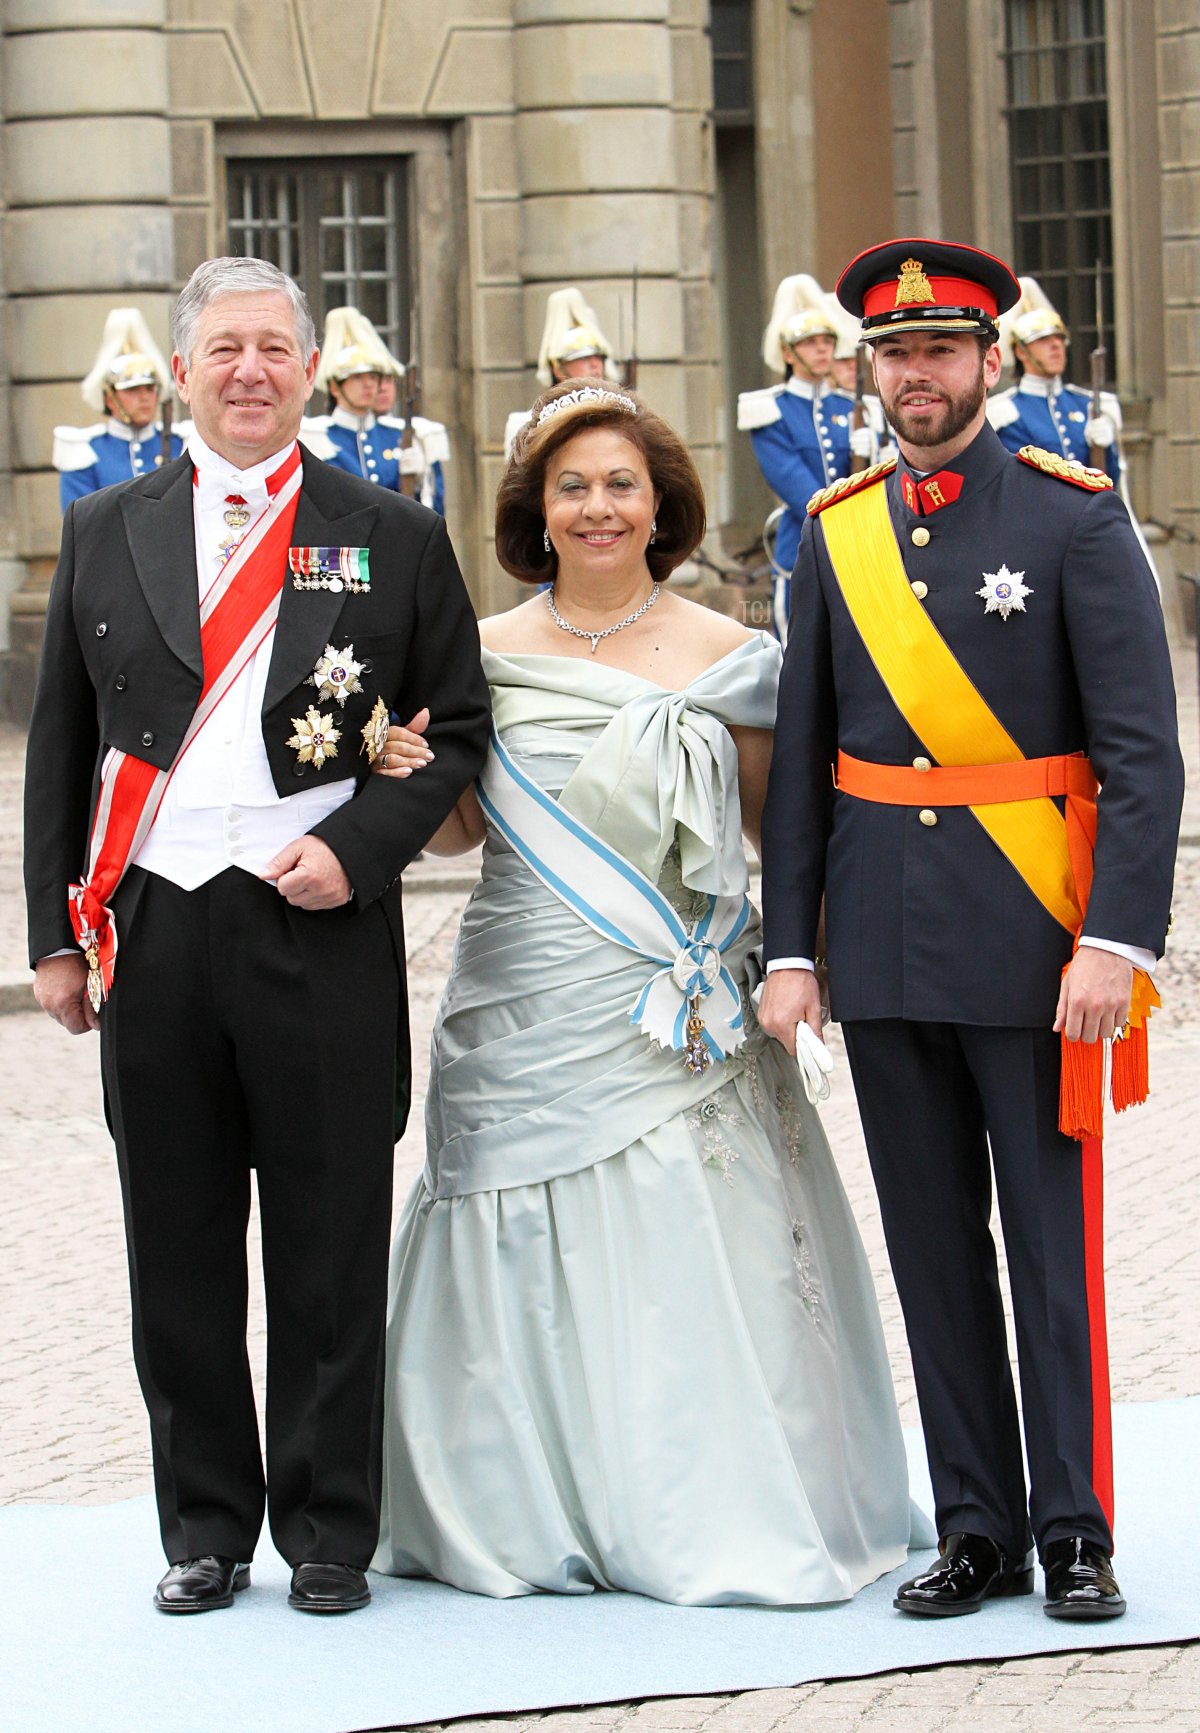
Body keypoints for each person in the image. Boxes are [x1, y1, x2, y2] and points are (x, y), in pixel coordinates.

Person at [368, 379, 921, 1607]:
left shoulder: (734, 655)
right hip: (521, 990)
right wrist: (405, 767)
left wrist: (810, 955)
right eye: (572, 486)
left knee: (690, 1245)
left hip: (680, 1006)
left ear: (662, 503)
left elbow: (781, 834)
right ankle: (518, 1506)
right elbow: (458, 833)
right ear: (536, 510)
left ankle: (702, 1504)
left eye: (622, 483)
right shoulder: (477, 649)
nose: (599, 506)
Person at [24, 256, 490, 1616]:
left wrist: (359, 850)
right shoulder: (105, 526)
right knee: (175, 1239)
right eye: (223, 348)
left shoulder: (389, 530)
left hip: (315, 919)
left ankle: (330, 1526)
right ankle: (207, 1526)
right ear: (182, 370)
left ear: (308, 368)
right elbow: (63, 741)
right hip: (156, 922)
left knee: (329, 1235)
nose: (248, 372)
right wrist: (55, 933)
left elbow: (458, 726)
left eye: (273, 349)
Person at [758, 239, 1183, 1623]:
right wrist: (792, 947)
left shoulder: (1075, 517)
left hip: (1036, 946)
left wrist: (1114, 941)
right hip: (882, 947)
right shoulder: (837, 529)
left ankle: (1075, 1527)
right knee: (933, 1254)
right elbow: (806, 759)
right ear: (869, 371)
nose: (916, 375)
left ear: (988, 360)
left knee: (1051, 1253)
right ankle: (978, 1525)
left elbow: (1143, 756)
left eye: (940, 349)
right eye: (894, 354)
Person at [987, 277, 1159, 587]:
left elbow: (1112, 482)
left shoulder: (1090, 404)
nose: (1056, 346)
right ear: (1021, 352)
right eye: (1043, 340)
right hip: (1036, 536)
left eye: (1058, 338)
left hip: (1092, 532)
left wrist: (1105, 449)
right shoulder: (1004, 413)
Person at [737, 275, 855, 643]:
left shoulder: (855, 408)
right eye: (809, 343)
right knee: (799, 650)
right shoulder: (770, 410)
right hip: (803, 550)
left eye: (826, 341)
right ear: (788, 354)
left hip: (860, 551)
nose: (821, 350)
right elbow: (794, 485)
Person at [300, 306, 449, 513]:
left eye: (373, 377)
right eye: (357, 378)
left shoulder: (399, 435)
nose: (369, 384)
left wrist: (418, 484)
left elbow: (434, 512)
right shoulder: (315, 438)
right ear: (335, 387)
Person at [53, 308, 187, 509]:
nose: (144, 397)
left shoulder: (181, 443)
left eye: (150, 388)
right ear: (110, 399)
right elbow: (80, 520)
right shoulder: (86, 451)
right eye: (132, 390)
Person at [503, 286, 619, 457]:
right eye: (583, 358)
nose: (595, 364)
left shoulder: (621, 416)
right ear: (557, 368)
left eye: (598, 357)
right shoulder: (526, 426)